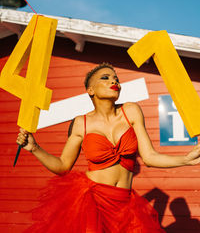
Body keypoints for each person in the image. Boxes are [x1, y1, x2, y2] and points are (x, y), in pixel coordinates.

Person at [17, 63, 200, 233]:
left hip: (125, 204)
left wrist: (185, 160)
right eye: (105, 78)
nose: (114, 81)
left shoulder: (131, 111)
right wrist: (34, 148)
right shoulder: (82, 123)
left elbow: (150, 157)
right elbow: (63, 166)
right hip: (92, 202)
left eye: (116, 79)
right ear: (90, 90)